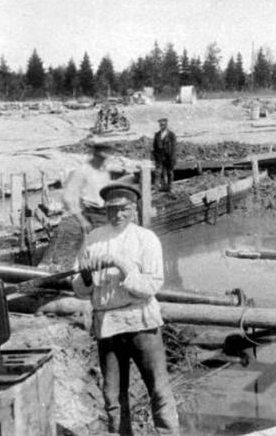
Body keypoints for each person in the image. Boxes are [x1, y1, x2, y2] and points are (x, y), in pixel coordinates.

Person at [71, 182, 179, 435]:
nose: (118, 214)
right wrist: (85, 277)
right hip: (108, 325)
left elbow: (150, 286)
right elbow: (80, 289)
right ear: (105, 210)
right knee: (113, 397)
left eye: (124, 209)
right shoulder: (94, 238)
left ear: (134, 210)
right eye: (112, 209)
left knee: (159, 390)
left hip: (141, 322)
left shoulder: (146, 238)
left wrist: (120, 264)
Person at [62, 140, 114, 233]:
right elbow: (68, 197)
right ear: (95, 153)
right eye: (101, 157)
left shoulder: (104, 171)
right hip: (91, 214)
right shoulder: (82, 171)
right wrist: (81, 220)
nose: (103, 160)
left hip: (105, 213)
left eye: (105, 158)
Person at [152, 118, 177, 192]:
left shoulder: (171, 135)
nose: (162, 126)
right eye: (160, 124)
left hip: (169, 157)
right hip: (159, 158)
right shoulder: (157, 135)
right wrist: (155, 157)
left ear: (166, 125)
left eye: (163, 124)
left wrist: (172, 158)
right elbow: (154, 147)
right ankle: (157, 189)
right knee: (158, 173)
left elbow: (174, 148)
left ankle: (170, 188)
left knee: (169, 173)